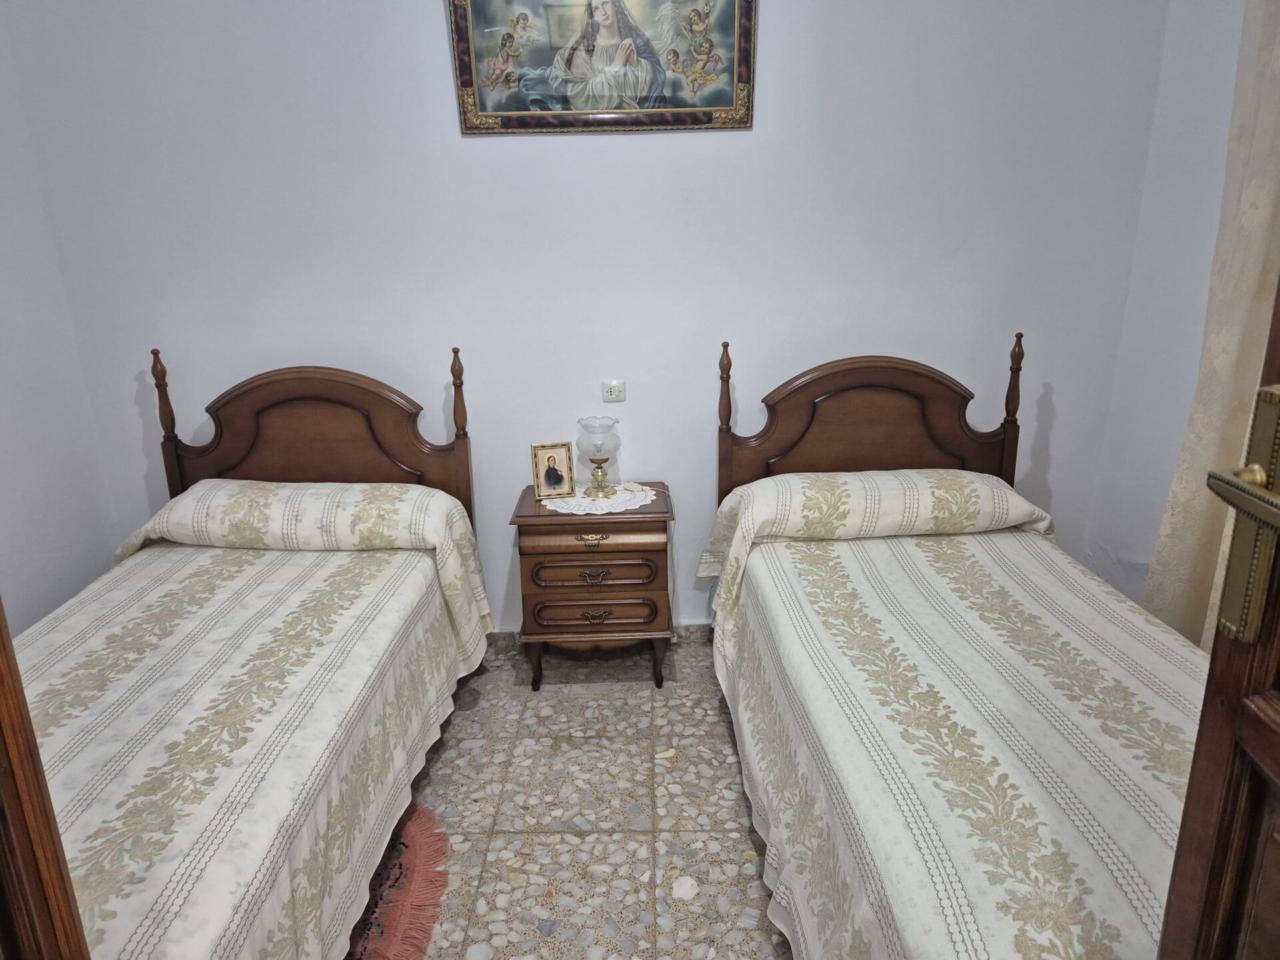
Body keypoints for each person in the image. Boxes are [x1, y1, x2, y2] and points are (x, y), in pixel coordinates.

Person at [545, 0, 665, 110]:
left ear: (615, 4)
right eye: (596, 9)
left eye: (606, 3)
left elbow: (643, 90)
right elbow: (579, 96)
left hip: (631, 121)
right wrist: (616, 66)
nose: (603, 12)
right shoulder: (584, 51)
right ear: (592, 15)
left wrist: (636, 65)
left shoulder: (633, 43)